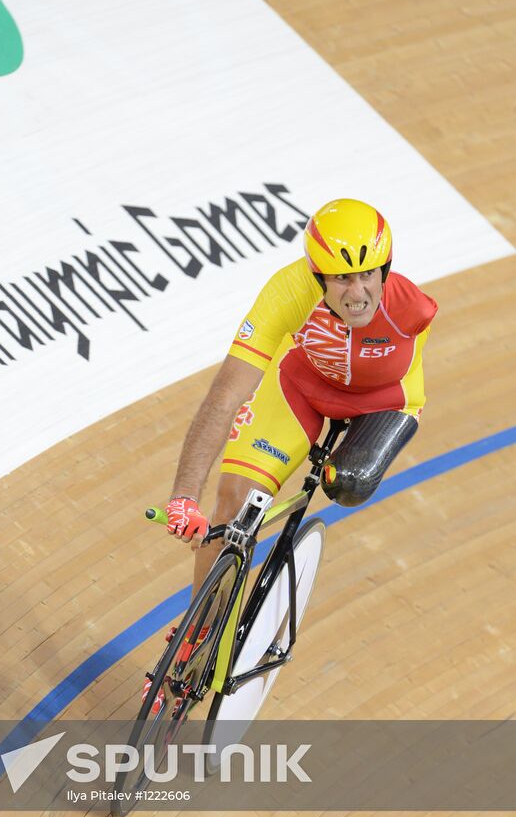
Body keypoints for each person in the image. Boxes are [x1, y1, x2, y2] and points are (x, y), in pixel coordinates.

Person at [144, 197, 437, 710]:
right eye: (342, 279)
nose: (358, 290)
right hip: (303, 388)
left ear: (384, 269)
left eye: (368, 274)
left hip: (382, 402)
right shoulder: (288, 290)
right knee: (232, 506)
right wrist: (183, 496)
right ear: (317, 276)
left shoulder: (412, 308)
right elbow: (225, 393)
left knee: (344, 483)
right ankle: (195, 634)